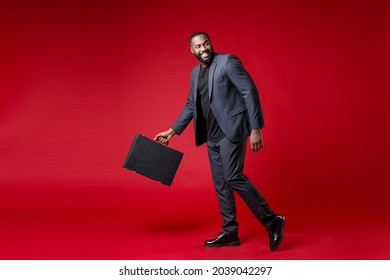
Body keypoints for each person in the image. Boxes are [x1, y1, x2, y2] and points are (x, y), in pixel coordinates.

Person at [154, 32, 285, 251]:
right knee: (221, 183)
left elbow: (249, 92)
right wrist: (172, 131)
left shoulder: (228, 62)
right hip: (212, 136)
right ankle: (230, 232)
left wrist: (255, 129)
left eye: (206, 43)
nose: (203, 48)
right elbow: (190, 105)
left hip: (231, 130)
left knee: (233, 176)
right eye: (198, 46)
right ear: (192, 50)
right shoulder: (195, 73)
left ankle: (272, 220)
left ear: (210, 43)